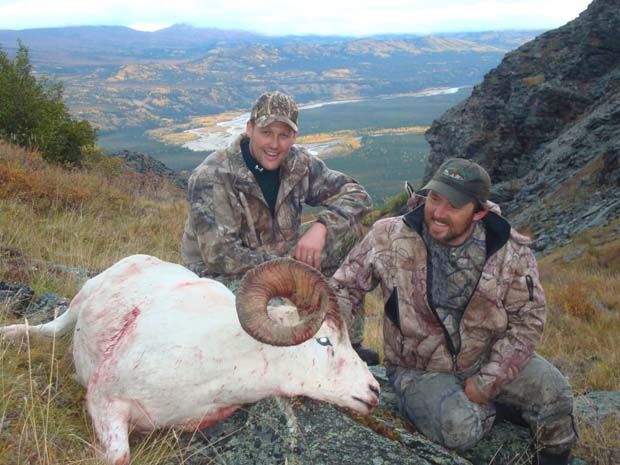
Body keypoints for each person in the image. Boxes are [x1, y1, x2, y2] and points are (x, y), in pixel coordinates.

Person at [330, 158, 577, 464]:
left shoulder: (510, 249)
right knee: (457, 429)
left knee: (557, 393)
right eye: (435, 198)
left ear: (479, 212)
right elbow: (343, 288)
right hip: (417, 369)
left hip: (488, 355)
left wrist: (490, 381)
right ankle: (500, 410)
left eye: (454, 206)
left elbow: (529, 319)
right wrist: (339, 348)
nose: (438, 213)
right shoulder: (389, 235)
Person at [181, 90, 379, 365]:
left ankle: (346, 343)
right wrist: (292, 272)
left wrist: (322, 226)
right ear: (250, 129)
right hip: (218, 277)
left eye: (284, 135)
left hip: (280, 262)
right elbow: (221, 256)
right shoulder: (212, 176)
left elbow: (357, 195)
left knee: (349, 235)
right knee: (282, 318)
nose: (274, 144)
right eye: (266, 132)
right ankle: (304, 362)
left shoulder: (299, 165)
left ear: (294, 137)